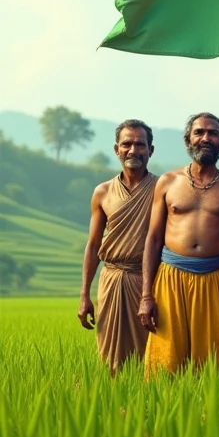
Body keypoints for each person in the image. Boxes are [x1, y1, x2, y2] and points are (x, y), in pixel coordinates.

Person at [139, 113, 219, 374]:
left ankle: (212, 415)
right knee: (164, 364)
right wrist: (146, 295)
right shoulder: (168, 182)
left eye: (212, 133)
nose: (205, 138)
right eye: (199, 132)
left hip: (216, 281)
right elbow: (153, 239)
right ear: (188, 139)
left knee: (212, 367)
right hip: (170, 279)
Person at [78, 119, 157, 373]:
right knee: (108, 354)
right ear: (117, 149)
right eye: (127, 144)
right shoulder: (103, 192)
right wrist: (84, 295)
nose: (133, 150)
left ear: (150, 150)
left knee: (151, 354)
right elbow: (93, 246)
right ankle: (115, 406)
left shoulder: (162, 189)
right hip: (111, 280)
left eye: (140, 144)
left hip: (149, 282)